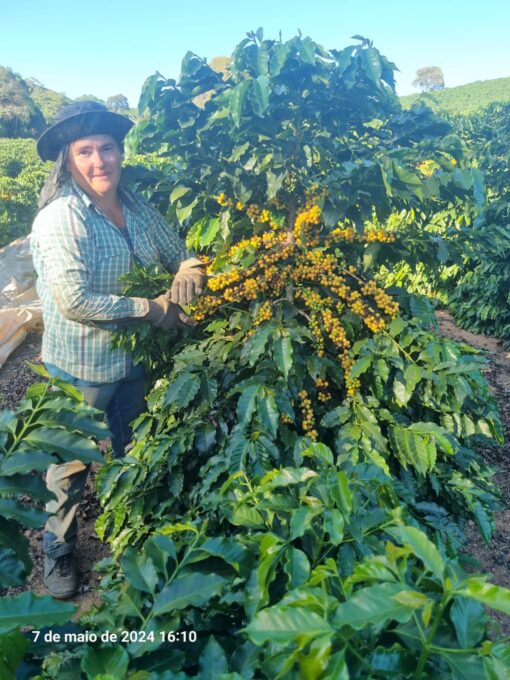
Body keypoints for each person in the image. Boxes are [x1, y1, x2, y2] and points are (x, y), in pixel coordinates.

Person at [31, 101, 205, 599]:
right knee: (69, 464)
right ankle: (59, 547)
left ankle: (137, 527)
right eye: (85, 151)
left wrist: (189, 267)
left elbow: (176, 250)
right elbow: (74, 300)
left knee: (137, 446)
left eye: (107, 148)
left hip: (135, 362)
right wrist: (152, 308)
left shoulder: (135, 206)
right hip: (81, 366)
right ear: (68, 160)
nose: (99, 161)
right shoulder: (62, 219)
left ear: (120, 153)